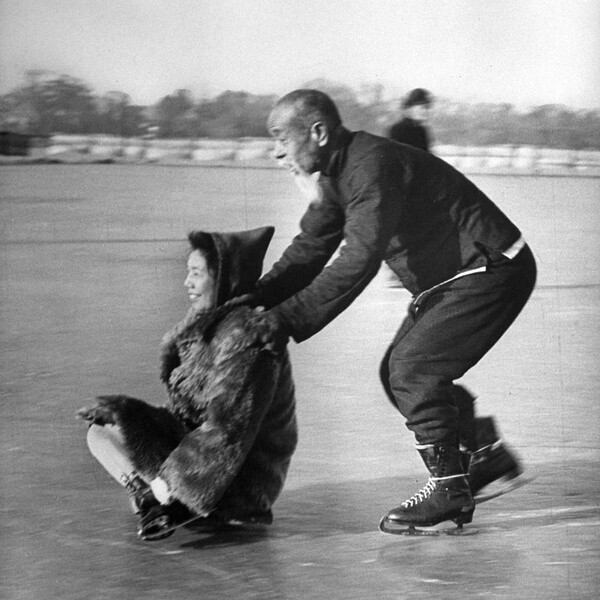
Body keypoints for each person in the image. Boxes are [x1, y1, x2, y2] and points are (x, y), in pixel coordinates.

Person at [232, 89, 536, 534]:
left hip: (492, 267)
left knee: (412, 370)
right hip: (454, 278)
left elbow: (358, 260)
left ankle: (449, 487)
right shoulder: (337, 175)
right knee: (396, 372)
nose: (276, 151)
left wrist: (283, 322)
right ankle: (483, 454)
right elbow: (311, 247)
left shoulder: (369, 165)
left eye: (281, 138)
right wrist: (255, 301)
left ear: (317, 133)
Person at [78, 226, 298, 541]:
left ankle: (176, 503)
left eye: (196, 273)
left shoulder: (247, 338)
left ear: (223, 280)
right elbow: (189, 410)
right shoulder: (206, 325)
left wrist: (170, 482)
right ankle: (147, 497)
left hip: (239, 478)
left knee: (128, 440)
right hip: (204, 454)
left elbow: (227, 431)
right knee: (105, 425)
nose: (187, 282)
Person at [388, 87, 433, 152]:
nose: (426, 111)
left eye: (428, 107)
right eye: (422, 107)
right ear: (410, 108)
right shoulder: (398, 130)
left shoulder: (421, 131)